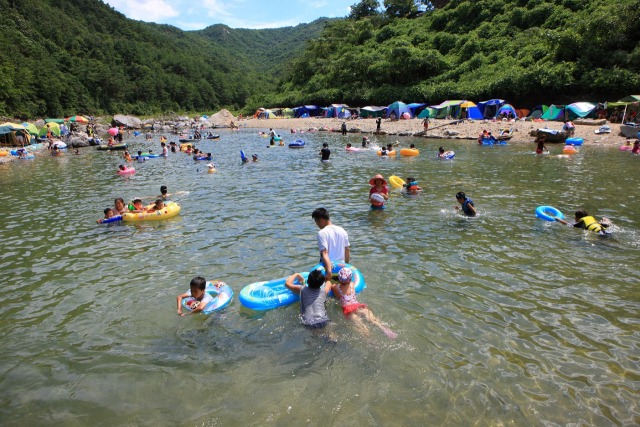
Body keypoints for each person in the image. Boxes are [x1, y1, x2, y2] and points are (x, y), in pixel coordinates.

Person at [331, 267, 396, 339]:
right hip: (358, 306)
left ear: (339, 278)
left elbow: (331, 285)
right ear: (350, 279)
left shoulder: (335, 288)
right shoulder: (352, 285)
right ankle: (383, 328)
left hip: (348, 310)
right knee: (373, 320)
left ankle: (372, 342)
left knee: (362, 327)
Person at [312, 208, 350, 281]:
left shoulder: (322, 233)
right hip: (341, 269)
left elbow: (325, 252)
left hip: (327, 269)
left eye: (316, 222)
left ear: (322, 221)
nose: (317, 225)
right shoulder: (342, 230)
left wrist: (329, 271)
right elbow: (347, 250)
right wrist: (347, 266)